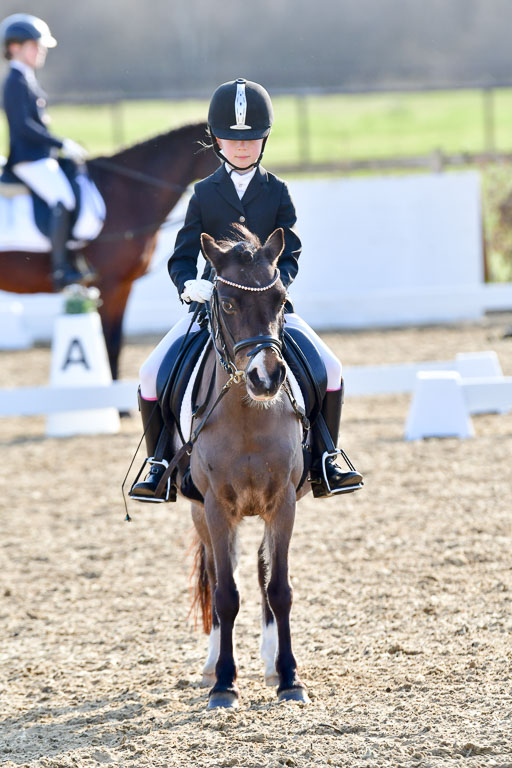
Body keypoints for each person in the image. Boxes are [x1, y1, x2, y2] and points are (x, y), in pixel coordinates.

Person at [131, 78, 363, 502]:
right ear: (217, 142)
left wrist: (277, 285)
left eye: (252, 140)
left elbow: (290, 253)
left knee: (330, 368)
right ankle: (159, 463)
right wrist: (189, 286)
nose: (242, 148)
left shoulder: (278, 191)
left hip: (270, 310)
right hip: (217, 309)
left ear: (264, 140)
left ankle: (327, 458)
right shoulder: (203, 193)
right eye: (232, 141)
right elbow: (181, 257)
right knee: (150, 374)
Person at [1, 13, 93, 289]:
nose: (40, 51)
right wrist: (60, 143)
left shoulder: (26, 78)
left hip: (40, 157)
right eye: (34, 45)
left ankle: (73, 259)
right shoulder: (14, 81)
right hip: (28, 160)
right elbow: (23, 127)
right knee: (62, 199)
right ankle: (60, 269)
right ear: (15, 47)